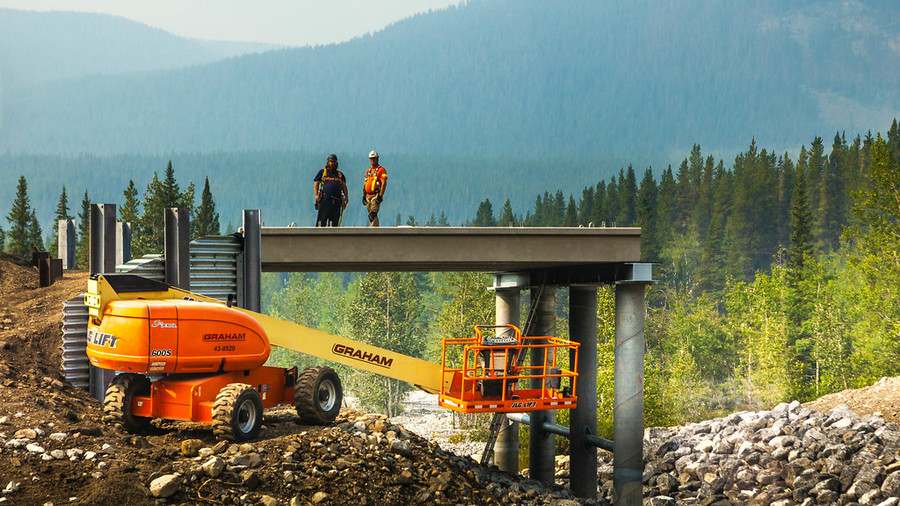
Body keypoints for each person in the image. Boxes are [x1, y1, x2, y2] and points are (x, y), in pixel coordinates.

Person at [313, 153, 348, 227]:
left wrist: (346, 197)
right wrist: (316, 195)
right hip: (325, 200)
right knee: (321, 222)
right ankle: (319, 237)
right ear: (328, 162)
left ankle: (332, 238)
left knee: (334, 223)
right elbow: (316, 183)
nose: (333, 163)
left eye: (334, 162)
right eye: (331, 162)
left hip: (337, 201)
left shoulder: (340, 175)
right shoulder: (323, 172)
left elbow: (344, 186)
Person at [361, 150, 388, 227]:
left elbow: (384, 183)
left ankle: (374, 231)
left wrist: (380, 195)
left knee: (373, 214)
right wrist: (363, 196)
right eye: (371, 158)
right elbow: (365, 183)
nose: (372, 160)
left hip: (375, 196)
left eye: (374, 158)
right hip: (368, 196)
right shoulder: (368, 171)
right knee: (370, 215)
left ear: (377, 159)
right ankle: (374, 229)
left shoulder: (381, 170)